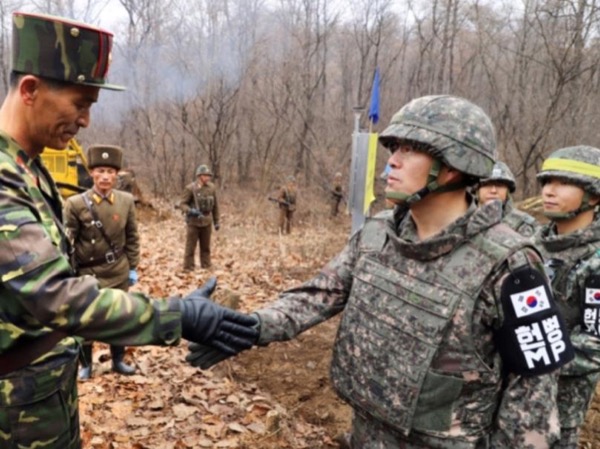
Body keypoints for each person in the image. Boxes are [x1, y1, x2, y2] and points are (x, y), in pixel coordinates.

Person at [188, 95, 573, 448]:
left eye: (411, 150)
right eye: (394, 149)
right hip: (365, 433)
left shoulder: (512, 265)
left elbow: (534, 399)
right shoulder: (377, 234)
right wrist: (252, 327)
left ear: (455, 166)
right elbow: (317, 296)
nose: (392, 161)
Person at [0, 12, 258, 449]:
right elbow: (58, 297)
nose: (84, 121)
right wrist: (179, 315)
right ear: (30, 90)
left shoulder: (29, 167)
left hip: (42, 395)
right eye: (79, 104)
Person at [535, 146, 600, 449]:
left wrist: (530, 355)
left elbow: (595, 345)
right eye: (547, 182)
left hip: (560, 410)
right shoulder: (531, 246)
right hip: (510, 402)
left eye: (563, 183)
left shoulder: (596, 261)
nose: (549, 191)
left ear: (594, 196)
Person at [64, 145, 140, 379]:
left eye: (110, 171)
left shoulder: (126, 201)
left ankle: (118, 361)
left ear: (117, 175)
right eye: (100, 171)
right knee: (86, 320)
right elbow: (68, 240)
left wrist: (133, 267)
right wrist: (67, 271)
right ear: (91, 173)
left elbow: (132, 236)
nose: (105, 176)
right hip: (88, 272)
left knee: (119, 317)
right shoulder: (76, 203)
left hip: (117, 269)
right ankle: (85, 364)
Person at [476, 160, 539, 237]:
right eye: (487, 185)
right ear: (477, 189)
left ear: (508, 191)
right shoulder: (463, 222)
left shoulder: (524, 224)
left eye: (499, 185)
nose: (493, 190)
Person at [178, 164, 220, 270]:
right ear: (200, 176)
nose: (208, 177)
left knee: (206, 247)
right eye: (206, 175)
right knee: (190, 247)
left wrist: (216, 221)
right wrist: (190, 211)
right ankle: (188, 267)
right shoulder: (190, 188)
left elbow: (215, 206)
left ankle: (206, 265)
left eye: (208, 175)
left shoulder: (211, 188)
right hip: (194, 222)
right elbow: (182, 204)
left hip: (207, 220)